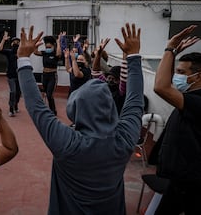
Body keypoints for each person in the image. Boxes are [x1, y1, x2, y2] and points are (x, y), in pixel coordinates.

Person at [17, 23, 144, 214]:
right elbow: (135, 101)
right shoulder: (125, 138)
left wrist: (22, 57)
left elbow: (36, 106)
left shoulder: (67, 143)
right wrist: (133, 56)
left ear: (75, 110)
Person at [153, 24, 201, 214]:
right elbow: (166, 82)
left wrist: (169, 48)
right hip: (181, 178)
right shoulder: (189, 98)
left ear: (198, 76)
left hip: (195, 182)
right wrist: (173, 54)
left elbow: (161, 87)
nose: (176, 77)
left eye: (182, 73)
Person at [91, 38, 127, 114]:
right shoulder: (105, 84)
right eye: (109, 77)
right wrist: (98, 54)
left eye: (114, 79)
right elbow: (95, 72)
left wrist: (125, 52)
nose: (110, 80)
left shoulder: (121, 92)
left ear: (119, 80)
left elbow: (124, 75)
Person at [33, 33, 63, 115]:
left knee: (49, 94)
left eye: (49, 47)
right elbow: (35, 52)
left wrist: (58, 42)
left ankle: (53, 111)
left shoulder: (55, 54)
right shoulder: (44, 53)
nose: (48, 48)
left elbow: (59, 54)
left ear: (53, 46)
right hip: (44, 75)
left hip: (52, 76)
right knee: (45, 93)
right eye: (46, 47)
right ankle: (45, 109)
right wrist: (37, 45)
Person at [0, 32, 21, 116]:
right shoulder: (9, 52)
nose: (16, 43)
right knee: (13, 91)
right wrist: (3, 40)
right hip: (11, 75)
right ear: (11, 43)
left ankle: (16, 105)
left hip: (20, 76)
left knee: (18, 93)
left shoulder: (21, 53)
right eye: (14, 42)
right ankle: (11, 109)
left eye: (18, 42)